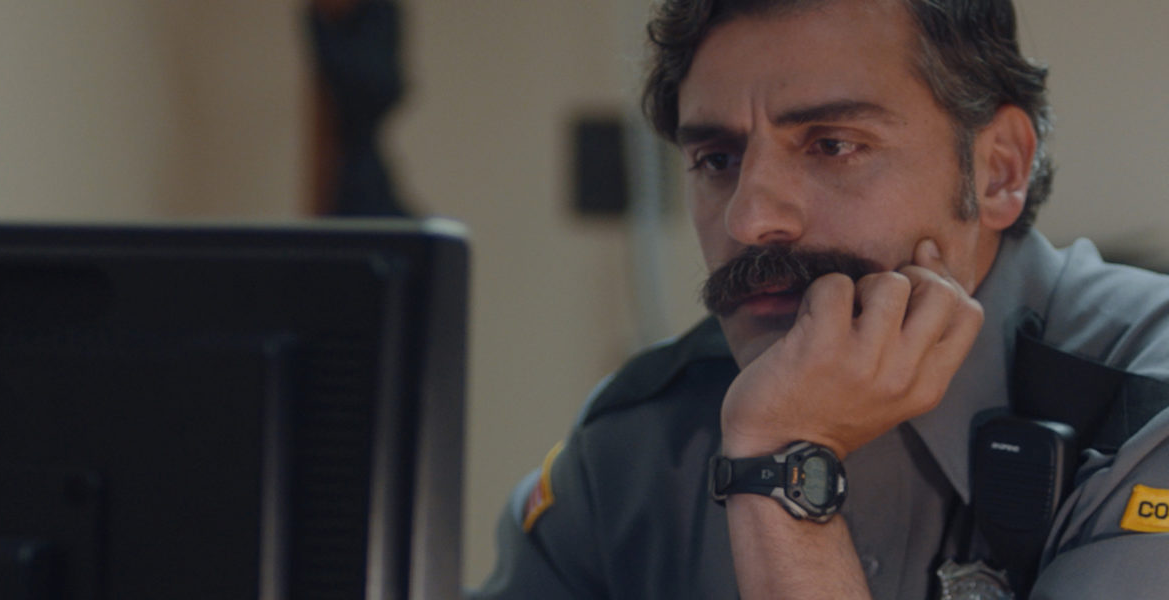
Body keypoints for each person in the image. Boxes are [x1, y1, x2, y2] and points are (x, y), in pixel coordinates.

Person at [469, 0, 1169, 597]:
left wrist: (779, 464)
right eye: (717, 160)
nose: (750, 219)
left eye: (832, 145)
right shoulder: (639, 442)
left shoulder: (1144, 405)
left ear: (998, 170)